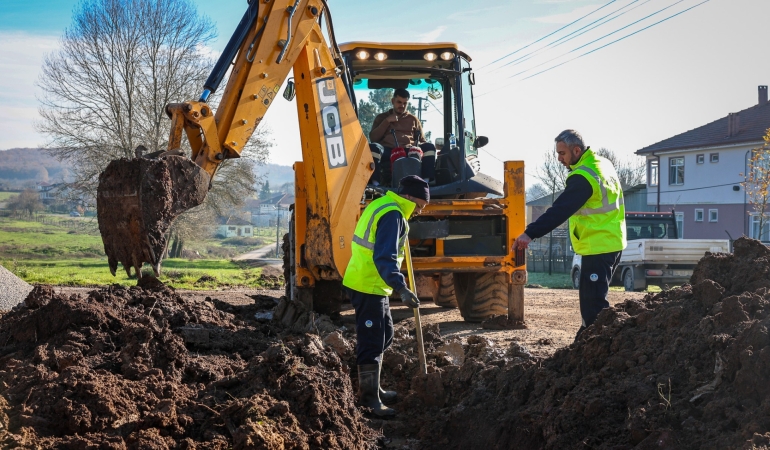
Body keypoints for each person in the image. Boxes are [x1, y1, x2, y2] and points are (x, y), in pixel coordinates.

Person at [512, 130, 626, 339]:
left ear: (577, 150)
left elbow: (560, 210)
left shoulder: (583, 177)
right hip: (612, 242)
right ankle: (586, 343)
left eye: (562, 153)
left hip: (598, 246)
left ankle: (598, 347)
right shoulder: (603, 164)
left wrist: (530, 233)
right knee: (593, 303)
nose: (559, 159)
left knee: (593, 308)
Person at [342, 175, 430, 417]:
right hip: (367, 285)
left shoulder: (383, 204)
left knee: (386, 334)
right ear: (409, 197)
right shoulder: (393, 215)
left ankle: (375, 388)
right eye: (420, 205)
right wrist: (402, 288)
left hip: (372, 284)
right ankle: (369, 400)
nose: (420, 211)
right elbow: (384, 258)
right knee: (371, 340)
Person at [368, 88, 437, 185]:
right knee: (373, 148)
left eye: (405, 103)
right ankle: (376, 184)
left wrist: (417, 145)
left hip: (409, 151)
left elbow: (422, 140)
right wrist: (387, 121)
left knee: (429, 147)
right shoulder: (381, 118)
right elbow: (373, 138)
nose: (402, 106)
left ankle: (425, 182)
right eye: (399, 102)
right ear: (393, 101)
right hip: (388, 151)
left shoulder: (413, 119)